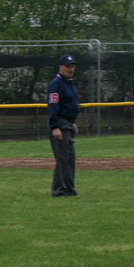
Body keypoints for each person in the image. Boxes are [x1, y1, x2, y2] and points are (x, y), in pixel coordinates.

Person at [47, 54, 80, 197]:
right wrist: (55, 127)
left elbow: (69, 104)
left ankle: (69, 188)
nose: (70, 69)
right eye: (68, 67)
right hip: (60, 124)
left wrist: (73, 122)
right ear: (60, 67)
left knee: (70, 159)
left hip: (68, 124)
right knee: (62, 159)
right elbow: (53, 105)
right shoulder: (56, 84)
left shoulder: (69, 82)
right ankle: (58, 190)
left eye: (72, 66)